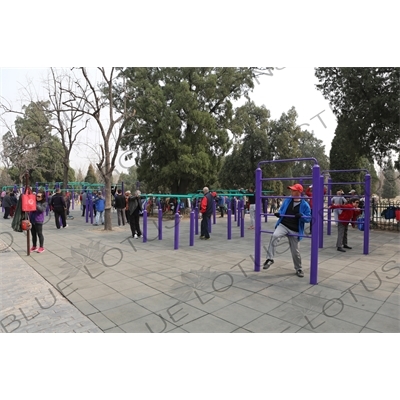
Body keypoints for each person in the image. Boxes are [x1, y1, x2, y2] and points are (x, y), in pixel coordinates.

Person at [263, 183, 311, 278]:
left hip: (295, 229)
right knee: (275, 236)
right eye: (291, 190)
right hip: (284, 225)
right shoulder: (288, 200)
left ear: (299, 192)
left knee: (295, 251)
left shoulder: (305, 204)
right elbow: (282, 210)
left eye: (293, 190)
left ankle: (299, 268)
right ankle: (270, 259)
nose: (291, 192)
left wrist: (302, 216)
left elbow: (308, 218)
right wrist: (279, 213)